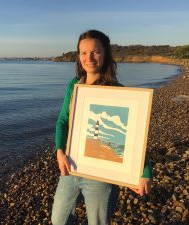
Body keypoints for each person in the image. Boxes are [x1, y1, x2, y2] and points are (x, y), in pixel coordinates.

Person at [51, 30, 152, 225]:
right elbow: (63, 121)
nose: (89, 58)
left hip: (102, 174)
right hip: (71, 165)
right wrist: (59, 151)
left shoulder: (118, 92)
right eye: (83, 53)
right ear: (78, 56)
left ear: (105, 54)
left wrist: (144, 172)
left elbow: (134, 137)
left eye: (95, 52)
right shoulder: (74, 85)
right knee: (58, 220)